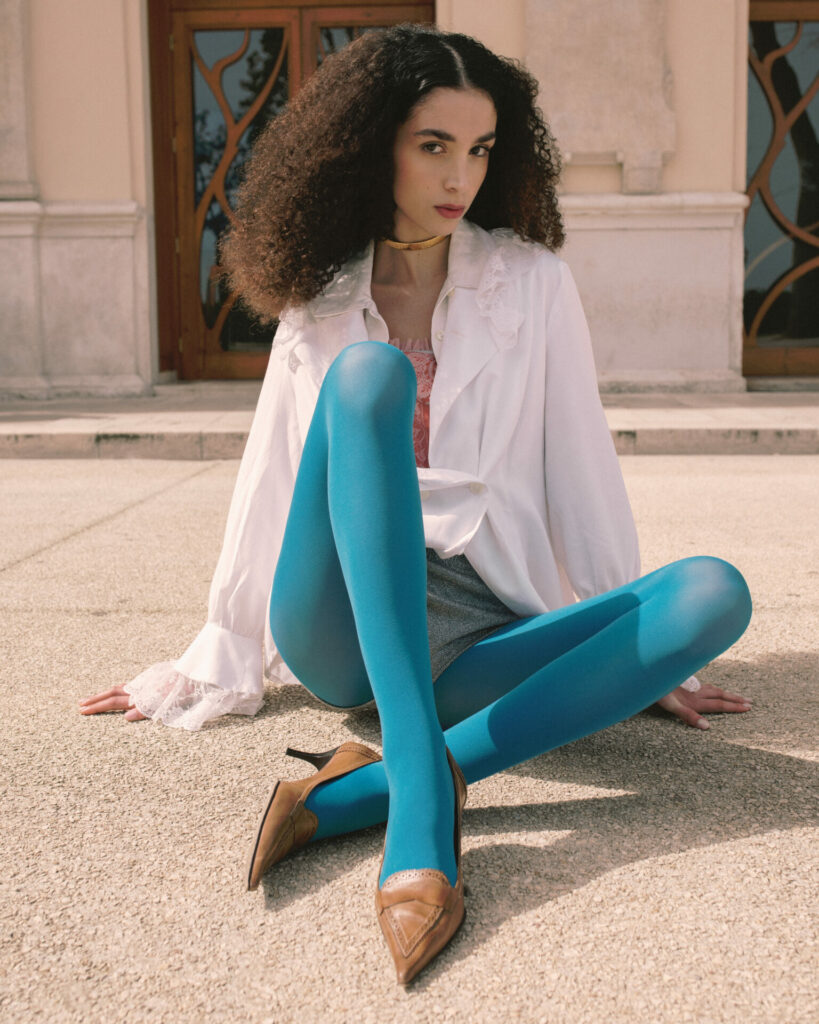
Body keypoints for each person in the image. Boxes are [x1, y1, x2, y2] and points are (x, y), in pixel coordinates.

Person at [80, 25, 753, 983]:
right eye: (433, 144)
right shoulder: (319, 295)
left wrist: (634, 652)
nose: (459, 176)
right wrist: (218, 649)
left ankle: (371, 791)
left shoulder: (532, 282)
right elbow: (273, 473)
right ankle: (422, 810)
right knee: (368, 376)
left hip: (477, 624)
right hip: (340, 618)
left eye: (478, 149)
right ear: (371, 145)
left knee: (712, 593)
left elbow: (579, 462)